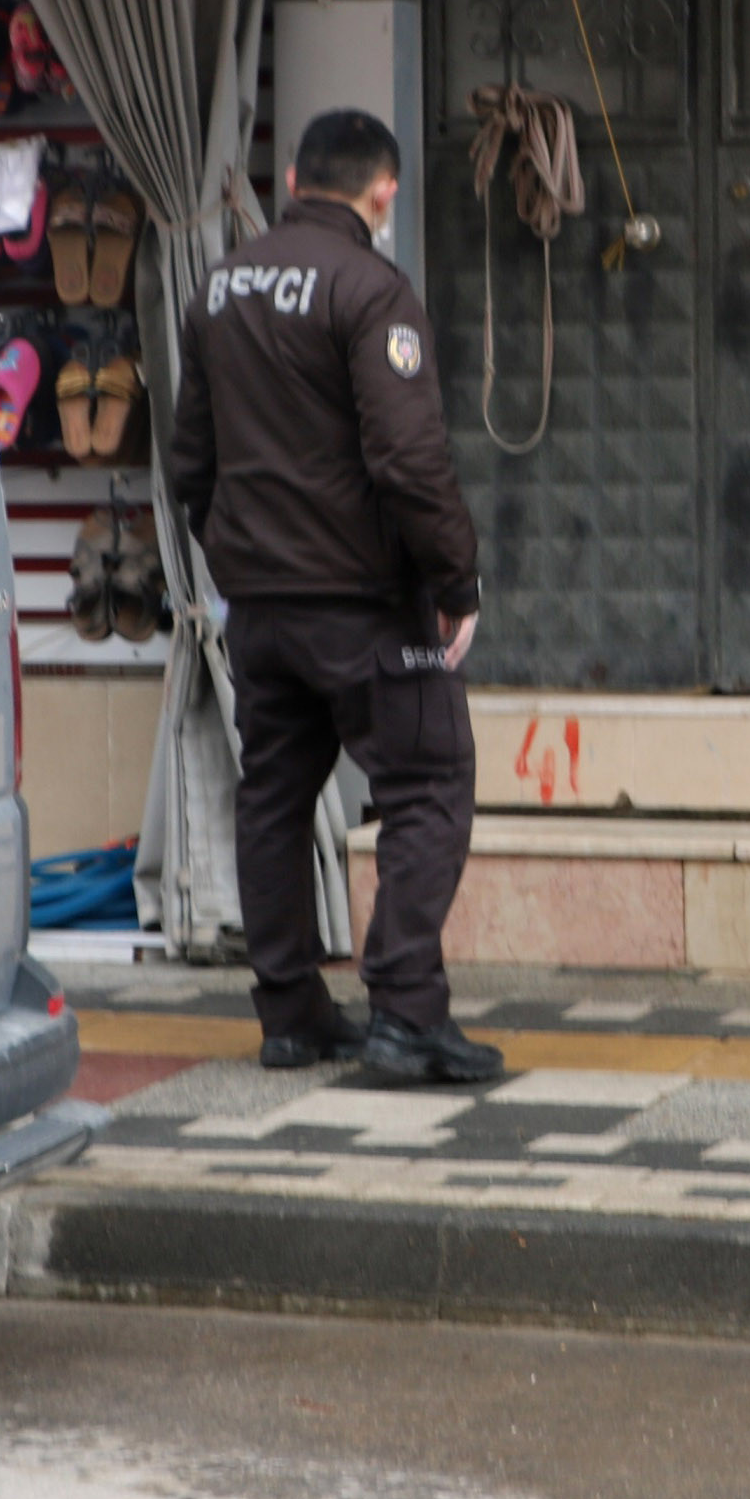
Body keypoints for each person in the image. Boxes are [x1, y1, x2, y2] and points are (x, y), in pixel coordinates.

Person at [169, 109, 503, 1086]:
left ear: (297, 178)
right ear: (381, 190)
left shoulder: (220, 286)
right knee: (430, 784)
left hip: (259, 609)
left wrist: (238, 556)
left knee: (273, 791)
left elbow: (191, 459)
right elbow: (407, 455)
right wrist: (453, 579)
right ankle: (404, 1012)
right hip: (361, 606)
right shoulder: (370, 287)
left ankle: (292, 1016)